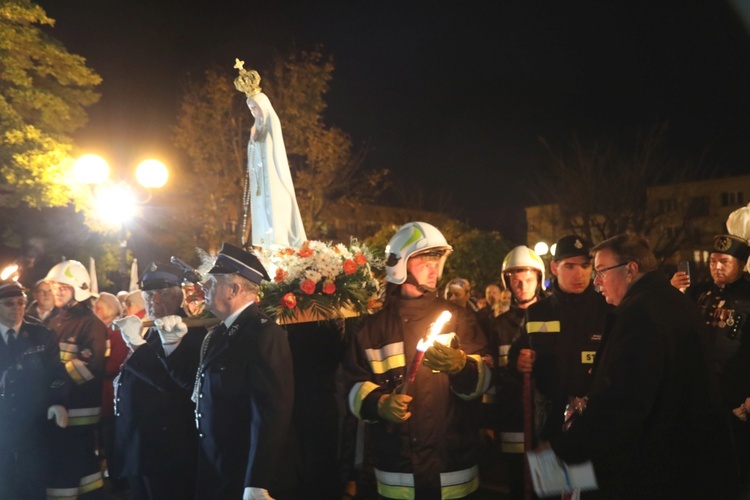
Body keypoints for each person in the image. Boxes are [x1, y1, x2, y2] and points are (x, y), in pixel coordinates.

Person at [548, 233, 737, 498]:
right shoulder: (664, 301)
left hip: (659, 470)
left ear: (630, 269)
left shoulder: (642, 315)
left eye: (601, 271)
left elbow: (623, 403)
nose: (596, 281)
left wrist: (564, 452)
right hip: (687, 464)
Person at [344, 221, 491, 499]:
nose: (433, 268)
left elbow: (484, 381)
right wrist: (380, 403)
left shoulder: (460, 319)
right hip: (399, 475)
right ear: (399, 265)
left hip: (453, 471)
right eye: (424, 260)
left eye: (436, 260)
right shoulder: (371, 330)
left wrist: (463, 367)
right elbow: (352, 387)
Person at [184, 242, 298, 499]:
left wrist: (258, 481)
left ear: (234, 289)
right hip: (217, 467)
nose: (204, 289)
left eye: (212, 283)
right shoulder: (218, 334)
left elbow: (271, 413)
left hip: (242, 472)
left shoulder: (264, 334)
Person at [110, 262, 207, 500]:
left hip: (167, 450)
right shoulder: (152, 329)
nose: (153, 300)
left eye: (162, 294)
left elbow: (176, 383)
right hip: (142, 448)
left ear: (179, 296)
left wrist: (136, 345)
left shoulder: (191, 332)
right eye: (148, 294)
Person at [509, 235, 612, 445]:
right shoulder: (537, 312)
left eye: (585, 266)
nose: (580, 274)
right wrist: (517, 362)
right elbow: (517, 351)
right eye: (570, 266)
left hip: (597, 425)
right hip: (550, 426)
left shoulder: (607, 309)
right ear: (555, 267)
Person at [671, 233, 750, 493]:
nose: (717, 267)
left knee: (737, 472)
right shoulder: (699, 292)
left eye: (724, 261)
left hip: (737, 400)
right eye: (713, 261)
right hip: (700, 397)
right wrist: (673, 293)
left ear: (742, 263)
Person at [44, 260, 109, 499]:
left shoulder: (91, 325)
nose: (57, 291)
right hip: (58, 410)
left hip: (79, 412)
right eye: (55, 286)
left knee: (67, 469)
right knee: (84, 471)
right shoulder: (53, 320)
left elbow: (89, 368)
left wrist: (50, 380)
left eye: (63, 286)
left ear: (78, 289)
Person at [0, 279, 68, 499]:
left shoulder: (41, 334)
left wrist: (58, 402)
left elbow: (55, 373)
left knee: (33, 477)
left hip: (32, 418)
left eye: (21, 302)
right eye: (9, 303)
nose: (17, 308)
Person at [489, 245, 546, 499]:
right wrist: (488, 421)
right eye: (516, 281)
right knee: (517, 488)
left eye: (529, 280)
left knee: (550, 489)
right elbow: (491, 379)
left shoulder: (554, 317)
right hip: (512, 421)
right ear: (508, 284)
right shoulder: (497, 327)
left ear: (539, 280)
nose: (523, 286)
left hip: (547, 424)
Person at [234, 59, 307, 249]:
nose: (253, 112)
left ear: (263, 106)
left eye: (255, 108)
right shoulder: (255, 128)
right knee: (263, 212)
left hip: (273, 177)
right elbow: (254, 154)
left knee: (276, 208)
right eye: (250, 109)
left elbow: (273, 151)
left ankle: (282, 240)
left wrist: (257, 139)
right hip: (261, 183)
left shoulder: (271, 124)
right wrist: (252, 140)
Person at [92, 292, 128, 493]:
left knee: (113, 443)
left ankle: (119, 483)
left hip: (111, 399)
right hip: (104, 398)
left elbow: (114, 365)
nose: (95, 310)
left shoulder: (117, 332)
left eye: (99, 306)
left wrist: (92, 366)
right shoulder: (104, 330)